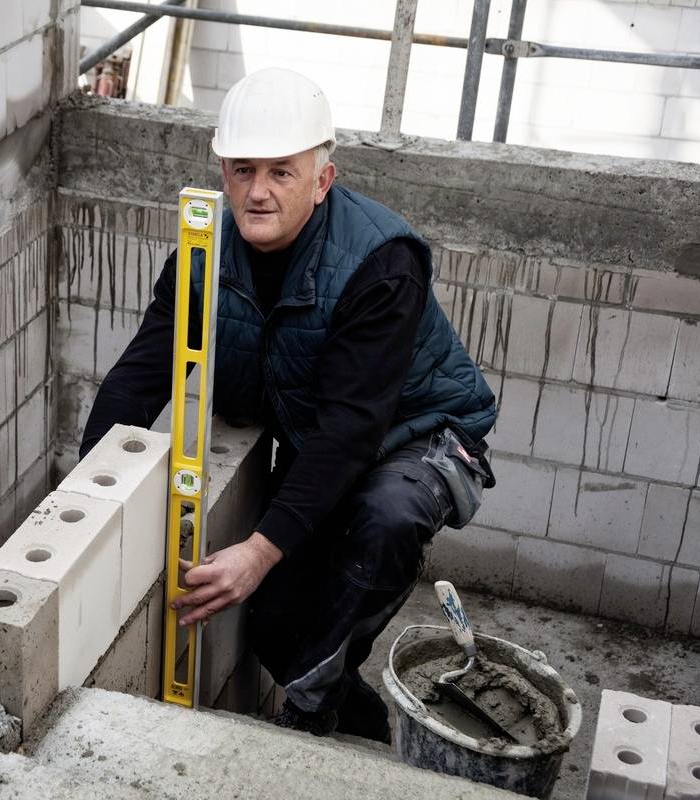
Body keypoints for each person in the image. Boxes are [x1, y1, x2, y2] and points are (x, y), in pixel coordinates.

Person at [78, 67, 497, 743]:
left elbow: (354, 428)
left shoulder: (379, 262)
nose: (258, 191)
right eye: (243, 170)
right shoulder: (204, 248)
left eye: (281, 172)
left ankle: (306, 721)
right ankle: (359, 721)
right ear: (222, 170)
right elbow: (139, 378)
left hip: (419, 436)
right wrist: (92, 496)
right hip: (321, 435)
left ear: (322, 180)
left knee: (383, 522)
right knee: (275, 624)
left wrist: (259, 548)